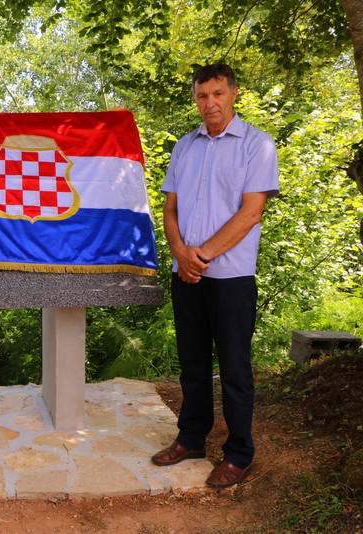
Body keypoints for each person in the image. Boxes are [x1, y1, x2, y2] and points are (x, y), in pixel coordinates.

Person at [151, 64, 279, 488]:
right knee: (191, 364)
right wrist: (179, 252)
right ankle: (191, 438)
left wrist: (199, 256)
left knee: (236, 368)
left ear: (234, 94)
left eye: (218, 94)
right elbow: (169, 208)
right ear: (196, 98)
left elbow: (251, 212)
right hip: (185, 273)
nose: (211, 103)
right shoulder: (184, 148)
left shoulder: (256, 145)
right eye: (203, 95)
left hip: (231, 277)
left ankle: (239, 453)